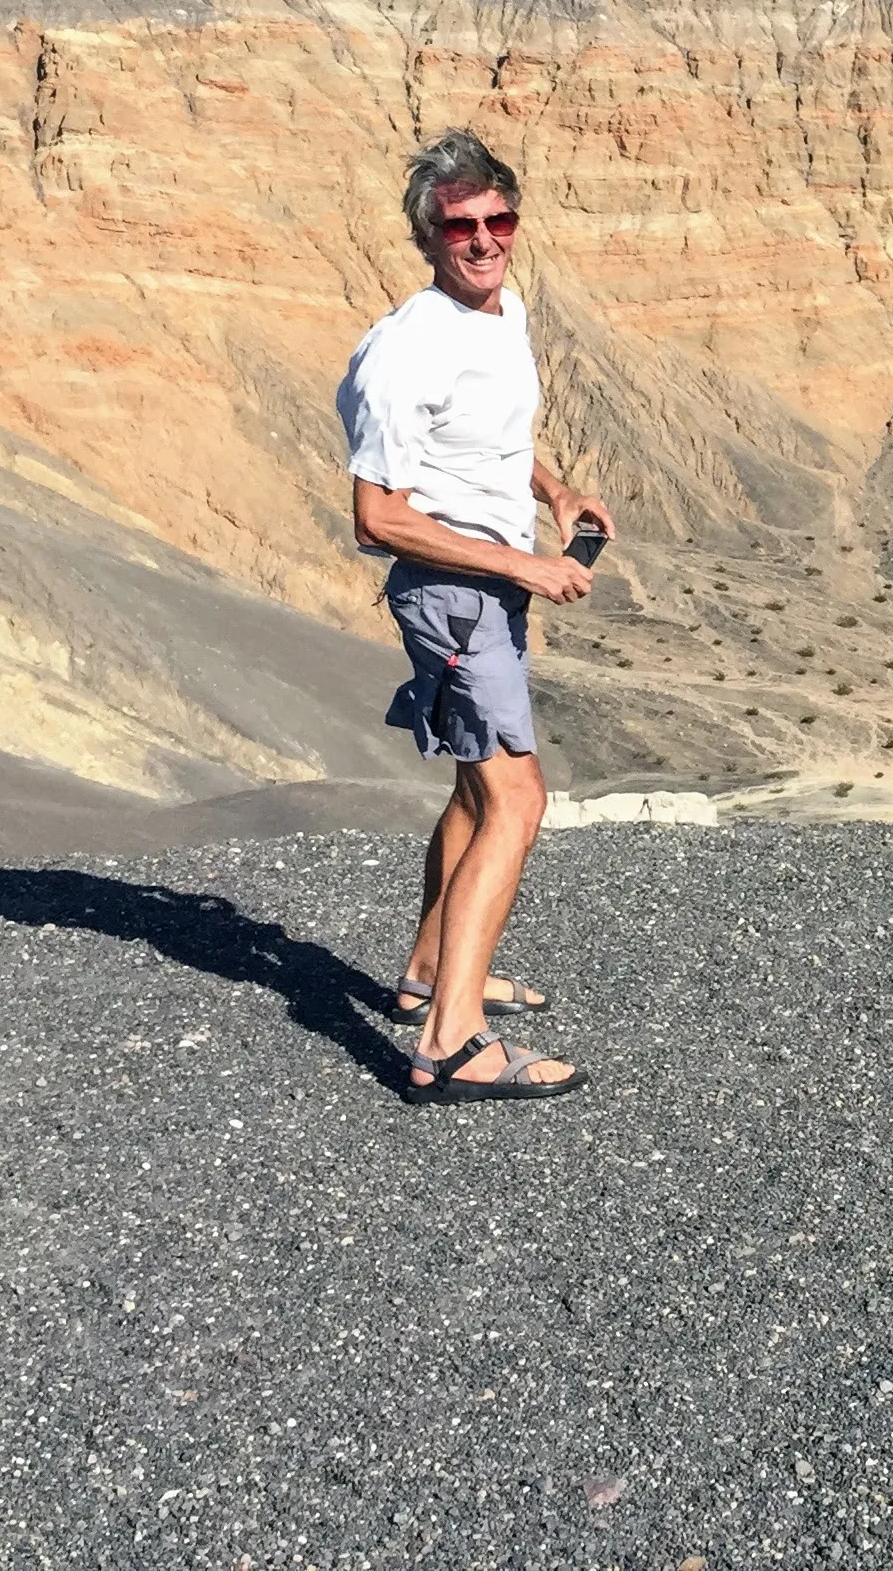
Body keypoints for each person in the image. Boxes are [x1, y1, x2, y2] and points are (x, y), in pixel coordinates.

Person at [337, 128, 615, 1105]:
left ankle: (426, 974)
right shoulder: (409, 352)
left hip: (490, 584)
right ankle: (449, 1044)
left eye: (500, 220)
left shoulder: (501, 311)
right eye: (463, 227)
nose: (485, 240)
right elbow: (377, 518)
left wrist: (556, 493)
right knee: (517, 799)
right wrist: (521, 568)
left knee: (472, 788)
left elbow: (488, 435)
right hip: (455, 599)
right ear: (429, 238)